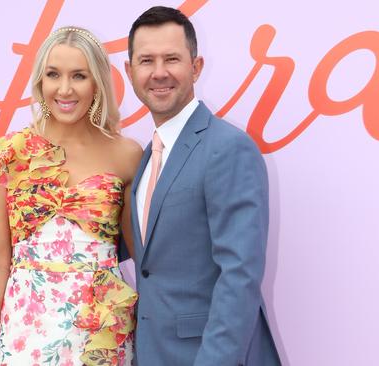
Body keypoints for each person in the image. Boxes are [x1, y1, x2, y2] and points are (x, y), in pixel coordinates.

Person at [124, 6, 281, 365]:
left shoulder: (228, 148)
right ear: (130, 72)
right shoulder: (148, 156)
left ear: (195, 67)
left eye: (172, 59)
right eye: (147, 60)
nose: (159, 72)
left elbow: (239, 277)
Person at [0, 26, 142, 366]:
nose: (64, 89)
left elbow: (141, 257)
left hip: (100, 330)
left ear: (96, 83)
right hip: (26, 331)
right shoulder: (8, 155)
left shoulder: (126, 154)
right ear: (40, 81)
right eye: (54, 75)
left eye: (79, 75)